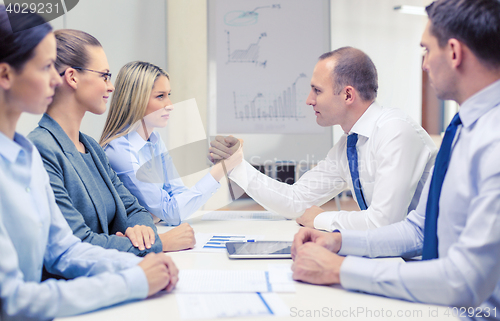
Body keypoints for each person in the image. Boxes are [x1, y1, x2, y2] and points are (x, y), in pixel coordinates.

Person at [291, 0, 500, 315]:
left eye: (426, 51)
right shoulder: (461, 131)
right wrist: (339, 242)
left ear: (454, 52)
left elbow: (464, 280)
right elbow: (418, 230)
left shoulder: (493, 140)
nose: (424, 64)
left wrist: (339, 270)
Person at [0, 7, 177, 320]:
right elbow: (12, 300)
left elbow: (64, 248)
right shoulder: (40, 148)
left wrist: (141, 261)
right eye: (45, 68)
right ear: (5, 74)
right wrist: (135, 273)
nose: (55, 79)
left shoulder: (25, 152)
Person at [209, 47, 437, 231]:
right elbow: (295, 200)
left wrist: (320, 219)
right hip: (388, 258)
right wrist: (236, 165)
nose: (309, 100)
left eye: (317, 90)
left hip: (424, 264)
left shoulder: (395, 132)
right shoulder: (349, 147)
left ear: (348, 95)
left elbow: (384, 224)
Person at [27, 30, 194, 253]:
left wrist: (140, 230)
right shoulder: (40, 149)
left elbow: (134, 209)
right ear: (72, 77)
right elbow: (77, 242)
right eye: (104, 76)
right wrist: (158, 244)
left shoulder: (92, 148)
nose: (111, 86)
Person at [99, 61, 243, 225]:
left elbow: (177, 197)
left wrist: (158, 214)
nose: (170, 106)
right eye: (160, 96)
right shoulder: (119, 151)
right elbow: (173, 212)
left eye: (169, 95)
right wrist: (221, 168)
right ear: (135, 100)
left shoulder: (154, 140)